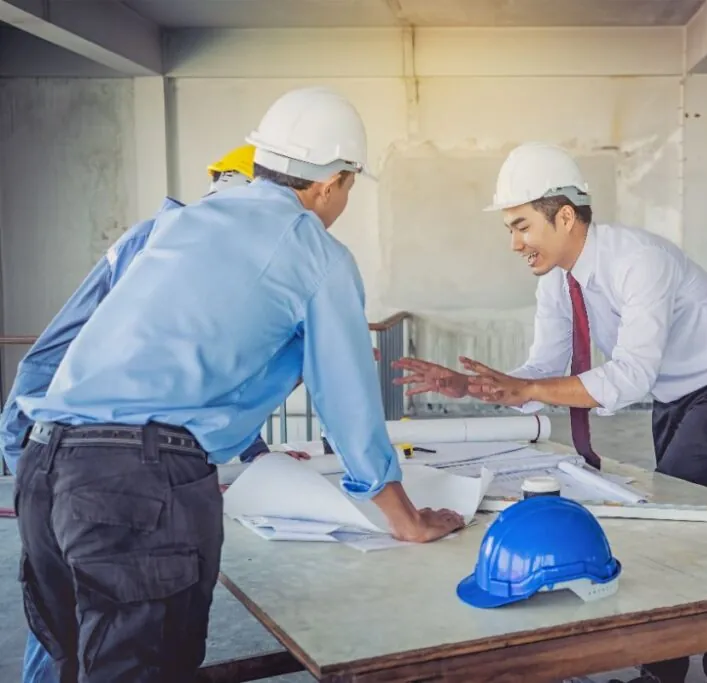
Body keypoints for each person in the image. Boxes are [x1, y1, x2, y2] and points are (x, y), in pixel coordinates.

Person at [14, 87, 463, 683]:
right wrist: (406, 519)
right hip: (138, 490)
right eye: (350, 186)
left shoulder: (174, 224)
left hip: (44, 470)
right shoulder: (315, 252)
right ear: (329, 183)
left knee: (67, 665)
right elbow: (347, 402)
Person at [392, 142, 707, 683]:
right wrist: (474, 386)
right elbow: (543, 369)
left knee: (667, 522)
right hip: (680, 396)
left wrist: (528, 387)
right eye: (510, 228)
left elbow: (629, 376)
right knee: (702, 527)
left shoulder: (637, 261)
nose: (514, 244)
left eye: (522, 225)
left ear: (566, 216)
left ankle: (671, 671)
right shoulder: (559, 278)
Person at [0, 145, 309, 683]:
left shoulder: (186, 247)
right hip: (82, 464)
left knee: (75, 633)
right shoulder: (166, 242)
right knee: (83, 641)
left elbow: (184, 380)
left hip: (58, 459)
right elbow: (50, 364)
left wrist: (257, 451)